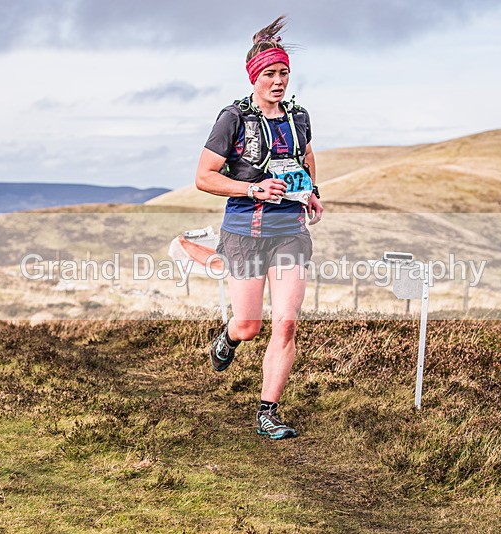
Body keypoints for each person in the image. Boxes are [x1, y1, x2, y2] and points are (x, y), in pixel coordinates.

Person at [195, 16, 323, 440]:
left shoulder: (299, 115)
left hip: (290, 229)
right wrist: (253, 188)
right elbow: (204, 177)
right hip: (245, 231)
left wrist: (313, 191)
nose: (279, 80)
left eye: (284, 72)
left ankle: (268, 411)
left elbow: (306, 157)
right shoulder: (233, 118)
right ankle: (228, 338)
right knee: (250, 326)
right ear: (255, 76)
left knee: (286, 323)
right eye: (270, 73)